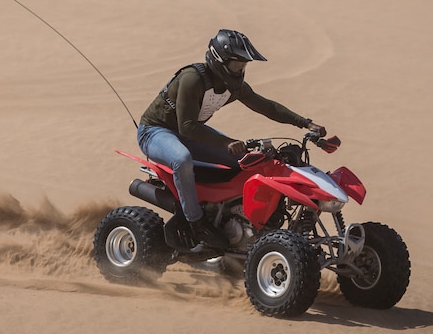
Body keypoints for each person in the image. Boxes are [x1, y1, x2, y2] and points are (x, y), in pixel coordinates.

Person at [137, 29, 326, 249]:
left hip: (189, 133)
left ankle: (232, 218)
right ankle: (196, 223)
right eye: (237, 65)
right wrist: (225, 143)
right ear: (219, 61)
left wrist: (304, 122)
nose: (240, 71)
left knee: (249, 159)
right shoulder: (192, 79)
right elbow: (187, 126)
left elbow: (266, 106)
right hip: (155, 132)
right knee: (181, 159)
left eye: (243, 66)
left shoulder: (232, 87)